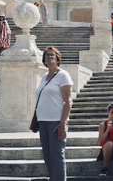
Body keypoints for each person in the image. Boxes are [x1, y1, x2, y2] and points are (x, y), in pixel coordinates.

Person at [35, 46, 73, 181]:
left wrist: (63, 123)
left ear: (58, 59)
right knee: (47, 155)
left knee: (57, 155)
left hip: (56, 121)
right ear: (44, 60)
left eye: (53, 55)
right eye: (47, 55)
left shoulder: (63, 75)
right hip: (42, 120)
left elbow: (68, 101)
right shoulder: (44, 77)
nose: (50, 57)